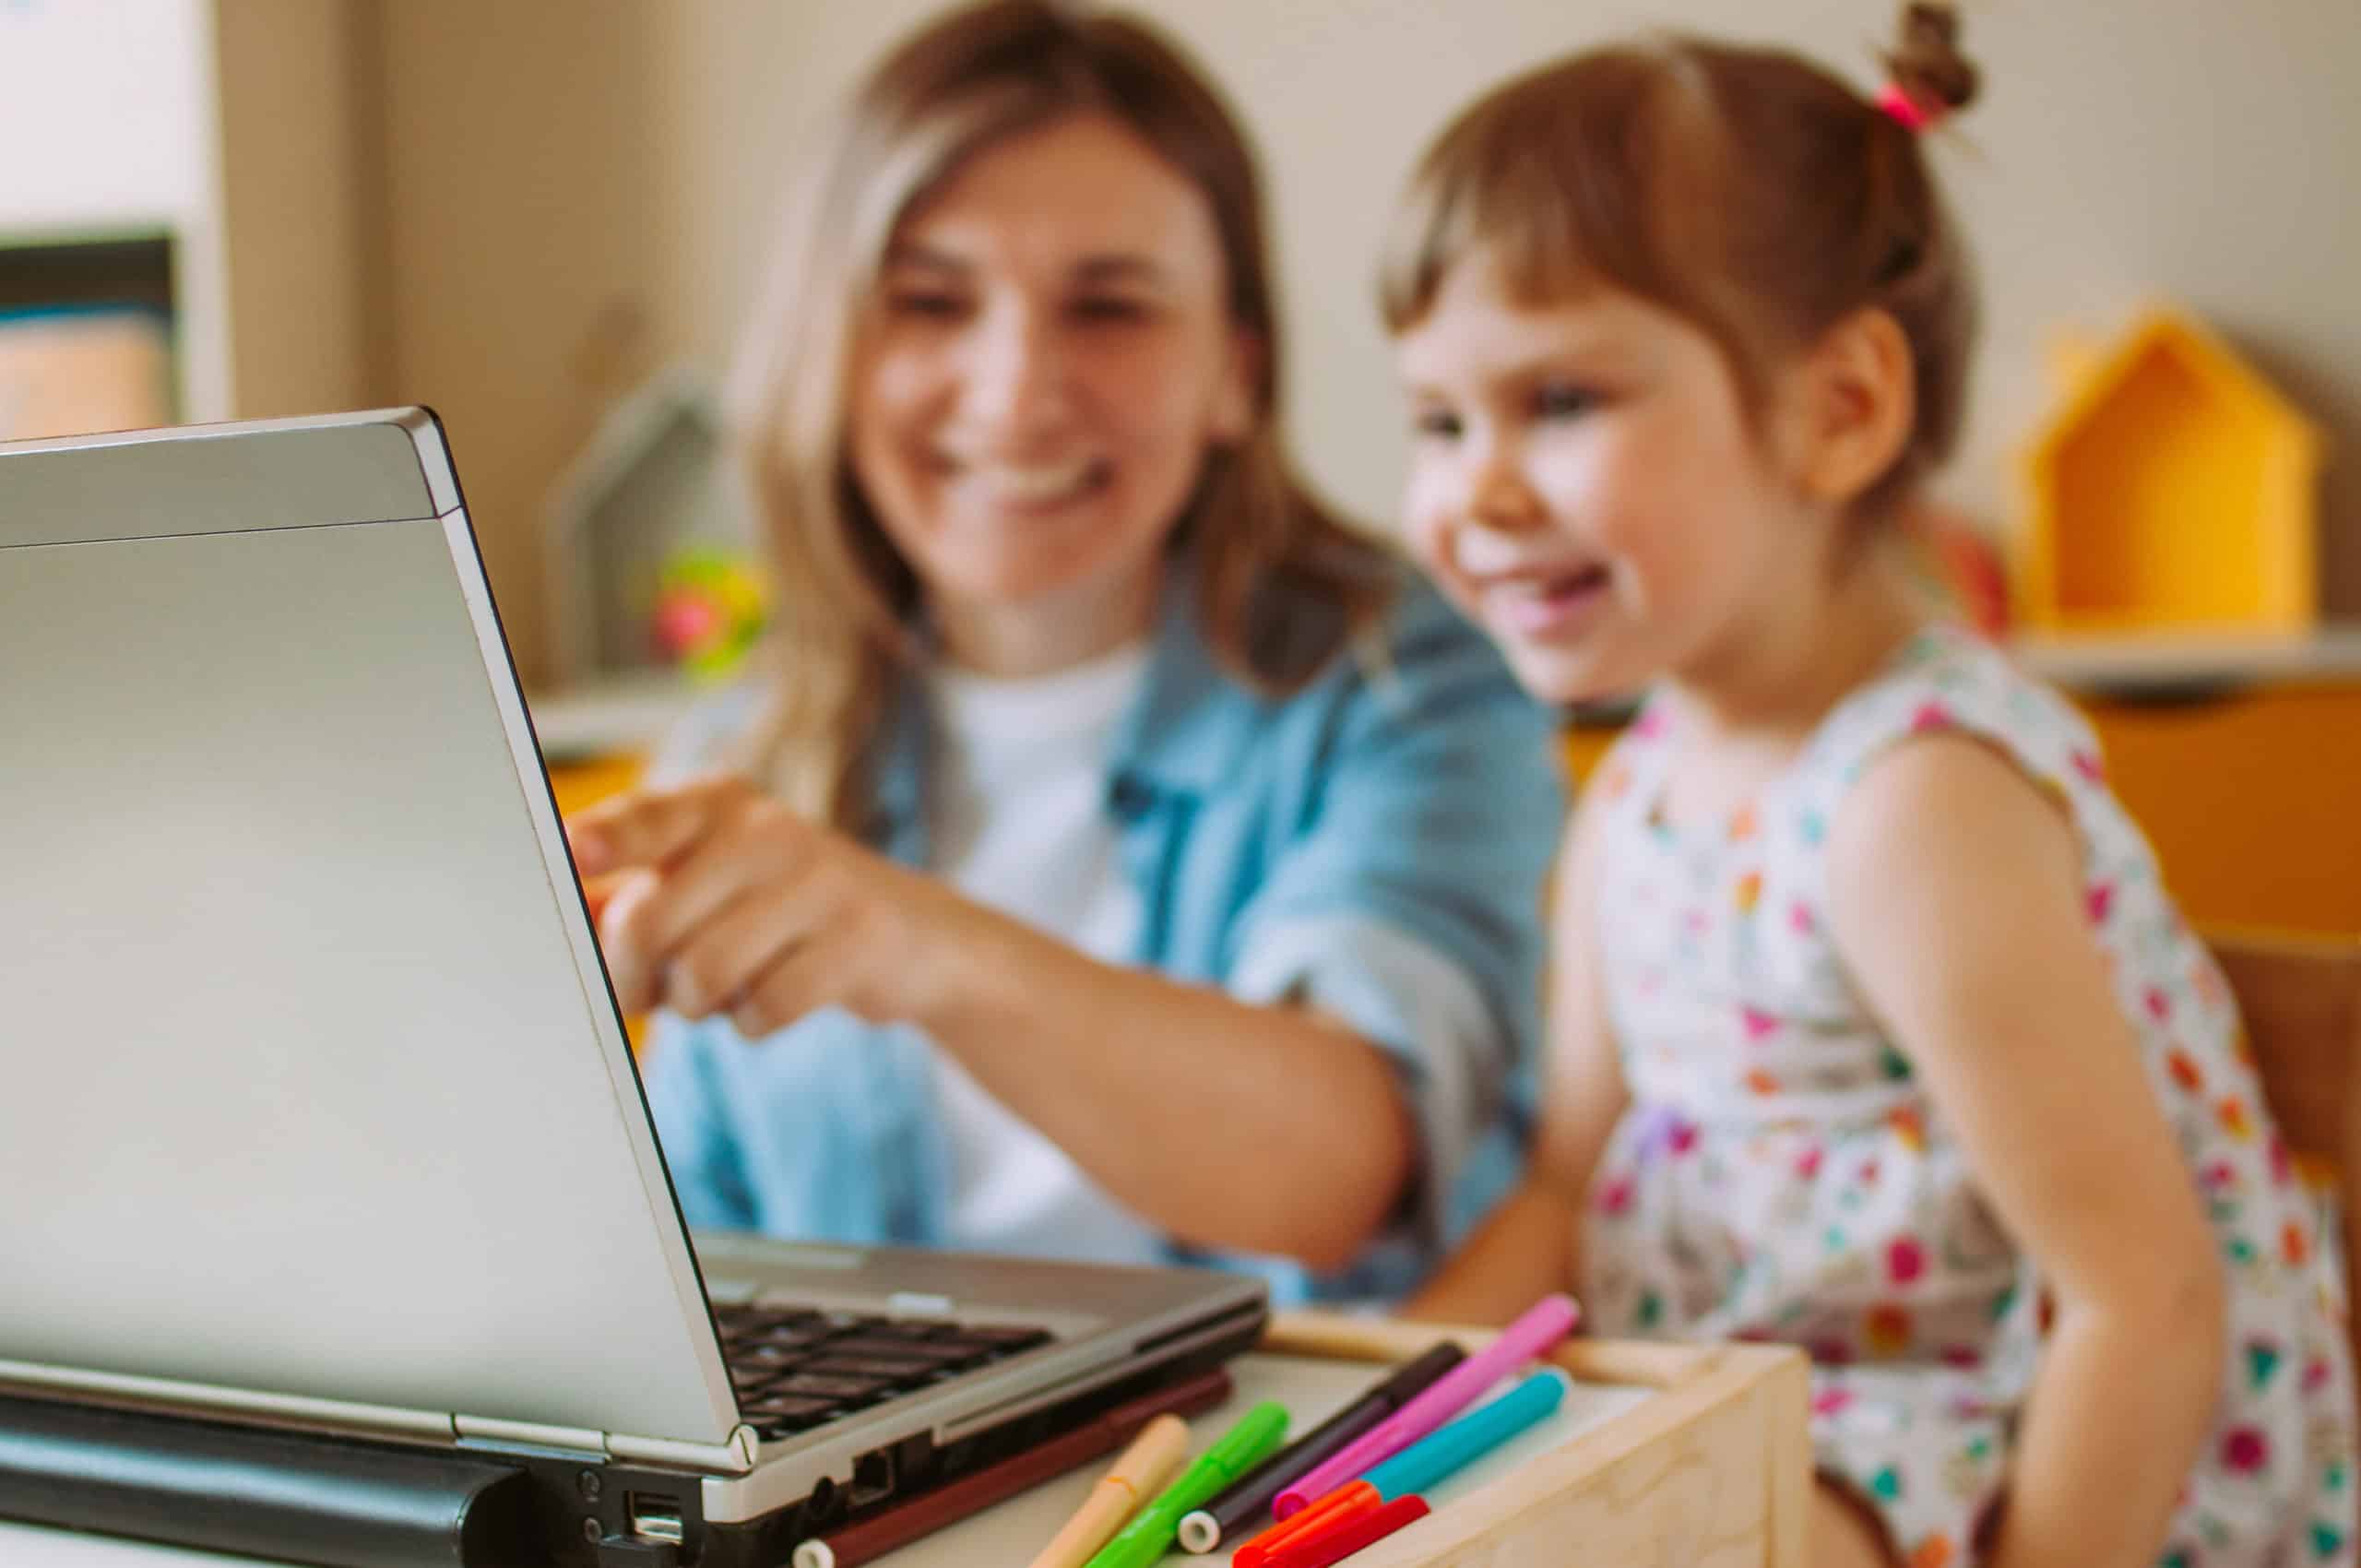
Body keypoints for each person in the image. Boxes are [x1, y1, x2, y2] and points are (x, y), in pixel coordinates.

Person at [1382, 8, 2355, 1566]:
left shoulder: (1916, 805)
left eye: (1559, 402)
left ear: (1839, 409)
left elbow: (2142, 1304)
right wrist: (1362, 1416)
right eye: (1438, 419)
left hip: (1995, 1439)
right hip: (1725, 1398)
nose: (1474, 494)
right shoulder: (1639, 791)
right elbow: (1567, 1184)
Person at [564, 0, 1563, 1306]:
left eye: (1110, 307)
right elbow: (693, 1274)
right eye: (930, 301)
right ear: (837, 353)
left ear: (1236, 374)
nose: (1017, 390)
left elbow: (1342, 1176)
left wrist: (923, 944)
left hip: (1298, 1490)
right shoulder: (737, 757)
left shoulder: (1410, 687)